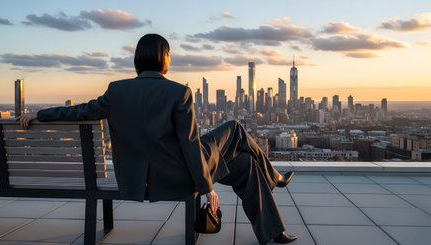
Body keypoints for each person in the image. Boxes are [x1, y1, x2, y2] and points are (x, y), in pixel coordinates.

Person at [16, 33, 297, 244]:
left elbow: (80, 111)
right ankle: (274, 178)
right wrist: (207, 188)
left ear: (138, 60)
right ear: (164, 59)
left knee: (244, 164)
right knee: (235, 128)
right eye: (170, 54)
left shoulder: (116, 91)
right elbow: (189, 146)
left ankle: (273, 232)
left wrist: (41, 114)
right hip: (179, 178)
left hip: (137, 182)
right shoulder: (179, 93)